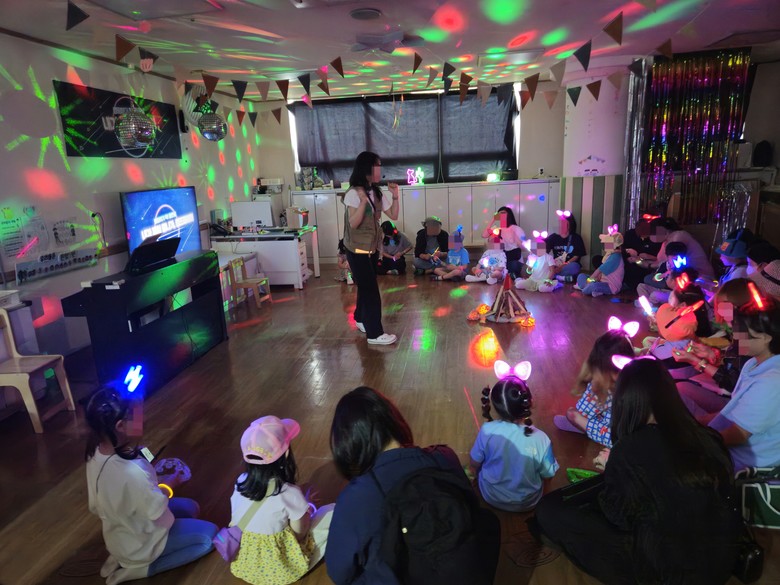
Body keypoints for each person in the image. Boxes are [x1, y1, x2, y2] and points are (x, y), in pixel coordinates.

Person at [536, 359, 741, 585]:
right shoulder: (707, 436)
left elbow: (618, 516)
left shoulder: (629, 449)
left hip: (670, 573)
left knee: (550, 510)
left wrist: (614, 468)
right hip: (720, 563)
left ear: (626, 401)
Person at [326, 387, 500, 585]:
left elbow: (339, 572)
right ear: (394, 420)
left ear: (349, 443)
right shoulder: (445, 457)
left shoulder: (357, 496)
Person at [85, 389, 217, 585]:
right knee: (210, 537)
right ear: (120, 426)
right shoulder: (133, 471)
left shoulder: (95, 454)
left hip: (119, 534)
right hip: (143, 543)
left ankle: (119, 557)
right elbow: (156, 510)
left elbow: (95, 506)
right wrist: (171, 483)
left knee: (191, 507)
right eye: (139, 415)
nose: (144, 419)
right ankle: (142, 568)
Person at [229, 416, 334, 585]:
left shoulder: (240, 481)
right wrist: (306, 508)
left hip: (245, 565)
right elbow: (300, 534)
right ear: (286, 454)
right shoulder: (290, 492)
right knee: (331, 511)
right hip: (280, 571)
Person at [469, 362, 558, 511]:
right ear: (530, 402)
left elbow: (474, 462)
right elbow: (548, 475)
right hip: (528, 502)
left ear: (494, 406)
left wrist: (473, 471)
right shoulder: (542, 439)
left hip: (491, 496)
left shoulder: (487, 430)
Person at [708, 300, 780, 470]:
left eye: (742, 332)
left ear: (765, 338)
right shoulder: (753, 363)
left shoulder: (771, 382)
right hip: (731, 447)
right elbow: (735, 411)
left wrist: (696, 442)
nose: (736, 336)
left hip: (744, 462)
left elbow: (739, 434)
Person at [342, 151, 400, 345]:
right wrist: (363, 202)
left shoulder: (376, 192)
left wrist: (395, 197)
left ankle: (360, 318)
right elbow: (354, 223)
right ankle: (375, 334)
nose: (380, 169)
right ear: (367, 168)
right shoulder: (354, 193)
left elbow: (393, 215)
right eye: (377, 165)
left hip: (371, 249)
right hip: (357, 250)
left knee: (366, 286)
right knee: (371, 291)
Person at [553, 330, 635, 448]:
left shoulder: (607, 387)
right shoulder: (634, 374)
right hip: (637, 429)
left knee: (572, 413)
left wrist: (578, 420)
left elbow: (583, 412)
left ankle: (583, 426)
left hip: (621, 438)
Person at [649, 217, 715, 280]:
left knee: (649, 279)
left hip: (698, 276)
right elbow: (661, 261)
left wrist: (649, 265)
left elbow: (671, 261)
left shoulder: (678, 236)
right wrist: (647, 260)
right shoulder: (665, 242)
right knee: (648, 279)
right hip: (678, 274)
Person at [574, 227, 624, 298]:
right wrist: (592, 280)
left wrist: (589, 281)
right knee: (581, 276)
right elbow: (600, 275)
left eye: (607, 243)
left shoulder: (615, 257)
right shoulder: (610, 254)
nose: (605, 245)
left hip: (609, 286)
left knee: (593, 286)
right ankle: (588, 288)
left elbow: (599, 270)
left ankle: (584, 288)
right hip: (600, 281)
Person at [636, 240, 687, 306]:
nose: (676, 260)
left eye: (678, 258)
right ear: (668, 257)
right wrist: (665, 274)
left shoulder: (684, 267)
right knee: (641, 286)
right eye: (674, 258)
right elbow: (655, 278)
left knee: (654, 295)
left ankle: (650, 306)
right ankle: (648, 304)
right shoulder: (665, 265)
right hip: (662, 289)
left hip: (673, 294)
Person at [480, 206, 525, 277]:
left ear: (509, 215)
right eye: (499, 214)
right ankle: (497, 274)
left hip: (513, 258)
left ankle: (505, 274)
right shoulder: (497, 230)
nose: (501, 215)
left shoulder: (516, 229)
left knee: (514, 265)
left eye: (503, 213)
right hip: (500, 259)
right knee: (484, 264)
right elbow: (484, 235)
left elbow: (523, 247)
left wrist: (514, 236)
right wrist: (493, 219)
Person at [622, 216, 662, 289]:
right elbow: (621, 248)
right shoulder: (630, 234)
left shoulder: (655, 239)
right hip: (631, 259)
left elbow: (659, 259)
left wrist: (648, 256)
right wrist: (628, 250)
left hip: (646, 262)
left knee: (637, 268)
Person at [547, 210, 586, 283]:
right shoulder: (553, 237)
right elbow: (544, 251)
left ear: (570, 224)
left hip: (568, 265)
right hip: (554, 265)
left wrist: (562, 266)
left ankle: (554, 276)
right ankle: (560, 277)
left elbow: (576, 256)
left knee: (575, 267)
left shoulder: (576, 238)